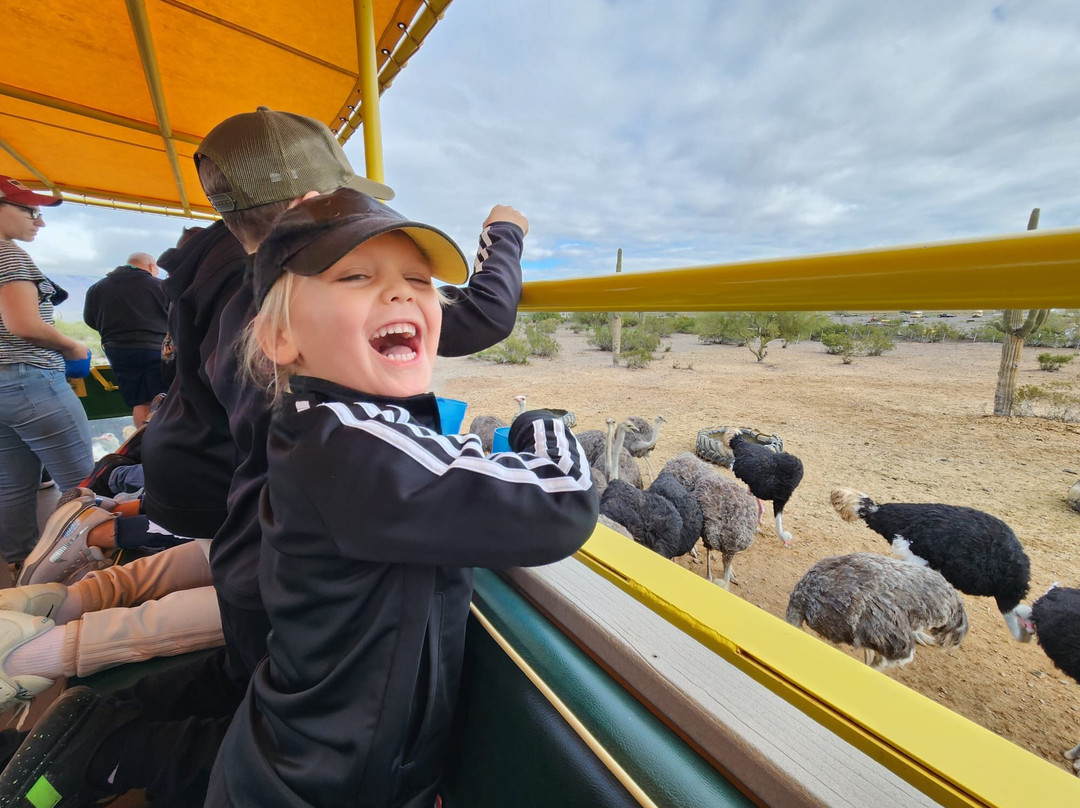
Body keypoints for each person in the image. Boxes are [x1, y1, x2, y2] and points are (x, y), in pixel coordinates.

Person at [0, 107, 530, 807]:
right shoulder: (306, 300)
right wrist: (506, 234)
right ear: (313, 206)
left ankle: (83, 703)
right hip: (281, 556)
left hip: (241, 523)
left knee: (252, 683)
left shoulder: (211, 270)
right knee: (299, 752)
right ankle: (101, 746)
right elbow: (483, 320)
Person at [203, 188, 596, 806]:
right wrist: (543, 424)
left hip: (323, 758)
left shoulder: (320, 424)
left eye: (420, 279)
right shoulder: (352, 445)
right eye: (356, 275)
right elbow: (563, 500)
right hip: (334, 784)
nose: (402, 292)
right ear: (280, 338)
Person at [0, 176, 94, 570]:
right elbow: (24, 323)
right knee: (84, 482)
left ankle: (22, 565)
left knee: (11, 484)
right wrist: (75, 347)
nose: (39, 221)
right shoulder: (10, 255)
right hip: (29, 379)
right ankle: (84, 566)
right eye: (30, 210)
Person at [82, 252, 168, 427]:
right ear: (151, 266)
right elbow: (176, 317)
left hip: (117, 351)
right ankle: (163, 445)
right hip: (155, 349)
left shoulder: (97, 288)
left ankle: (142, 445)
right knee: (164, 399)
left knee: (139, 401)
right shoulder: (160, 286)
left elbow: (90, 320)